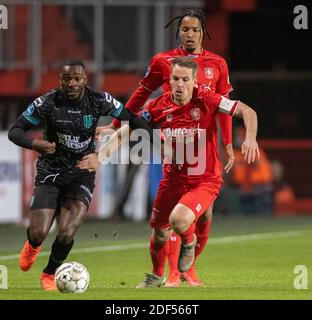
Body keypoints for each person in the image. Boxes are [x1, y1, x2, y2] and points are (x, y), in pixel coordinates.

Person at [89, 57, 259, 288]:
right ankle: (157, 274)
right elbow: (128, 130)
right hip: (172, 180)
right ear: (169, 80)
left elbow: (248, 112)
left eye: (185, 79)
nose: (180, 84)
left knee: (178, 220)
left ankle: (188, 242)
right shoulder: (157, 106)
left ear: (194, 82)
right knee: (159, 235)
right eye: (176, 78)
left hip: (204, 180)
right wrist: (99, 157)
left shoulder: (208, 100)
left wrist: (249, 138)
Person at [96, 9, 235, 287]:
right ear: (178, 32)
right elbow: (143, 93)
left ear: (203, 32)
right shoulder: (162, 61)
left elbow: (224, 109)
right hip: (167, 132)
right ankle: (168, 273)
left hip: (203, 148)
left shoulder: (217, 63)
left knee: (201, 214)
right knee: (170, 220)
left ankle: (187, 270)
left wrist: (228, 143)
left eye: (195, 29)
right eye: (185, 29)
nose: (190, 34)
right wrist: (115, 123)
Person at [7, 60, 154, 290]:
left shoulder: (99, 100)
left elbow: (132, 119)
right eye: (67, 79)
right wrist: (36, 144)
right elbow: (14, 131)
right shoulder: (46, 103)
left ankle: (49, 274)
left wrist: (157, 142)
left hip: (82, 172)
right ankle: (33, 244)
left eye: (77, 78)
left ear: (85, 79)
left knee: (67, 231)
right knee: (38, 232)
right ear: (60, 81)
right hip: (51, 171)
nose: (72, 83)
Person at [229, 126, 273, 214]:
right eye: (237, 136)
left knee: (261, 210)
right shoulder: (236, 154)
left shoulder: (255, 150)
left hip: (260, 185)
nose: (238, 139)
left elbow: (254, 163)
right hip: (242, 186)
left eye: (240, 136)